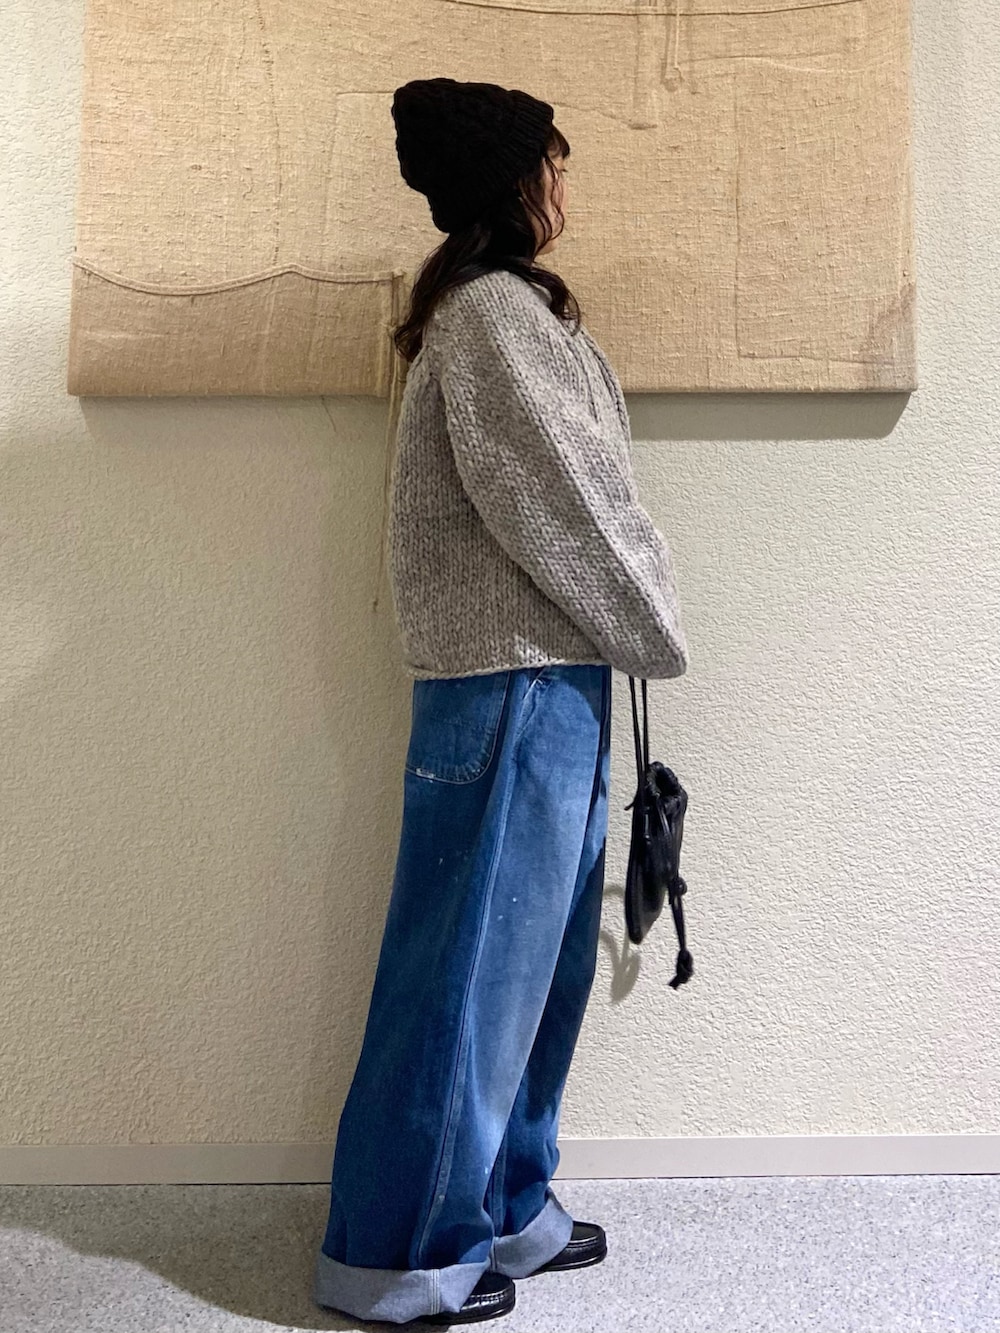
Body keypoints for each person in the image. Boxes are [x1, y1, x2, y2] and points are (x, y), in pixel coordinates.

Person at [313, 77, 688, 1326]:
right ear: (511, 184)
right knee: (468, 977)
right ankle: (398, 1256)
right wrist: (655, 624)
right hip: (508, 679)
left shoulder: (508, 312)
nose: (564, 188)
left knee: (534, 973)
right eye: (553, 166)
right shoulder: (489, 319)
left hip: (543, 673)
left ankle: (505, 1208)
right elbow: (562, 504)